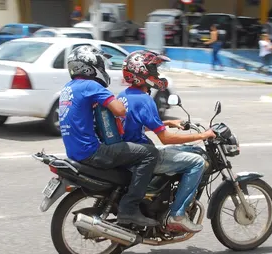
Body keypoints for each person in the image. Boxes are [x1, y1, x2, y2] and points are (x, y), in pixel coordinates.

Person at [59, 45, 160, 227]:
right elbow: (120, 110)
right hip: (93, 152)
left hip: (74, 152)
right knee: (150, 153)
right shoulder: (91, 86)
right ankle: (129, 209)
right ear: (91, 66)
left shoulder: (68, 88)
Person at [117, 50, 216, 233]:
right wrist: (203, 135)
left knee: (185, 150)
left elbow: (133, 124)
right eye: (153, 68)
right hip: (142, 156)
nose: (157, 74)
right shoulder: (144, 100)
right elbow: (165, 138)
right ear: (142, 72)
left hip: (128, 153)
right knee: (197, 162)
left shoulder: (124, 95)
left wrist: (168, 122)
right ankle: (177, 214)